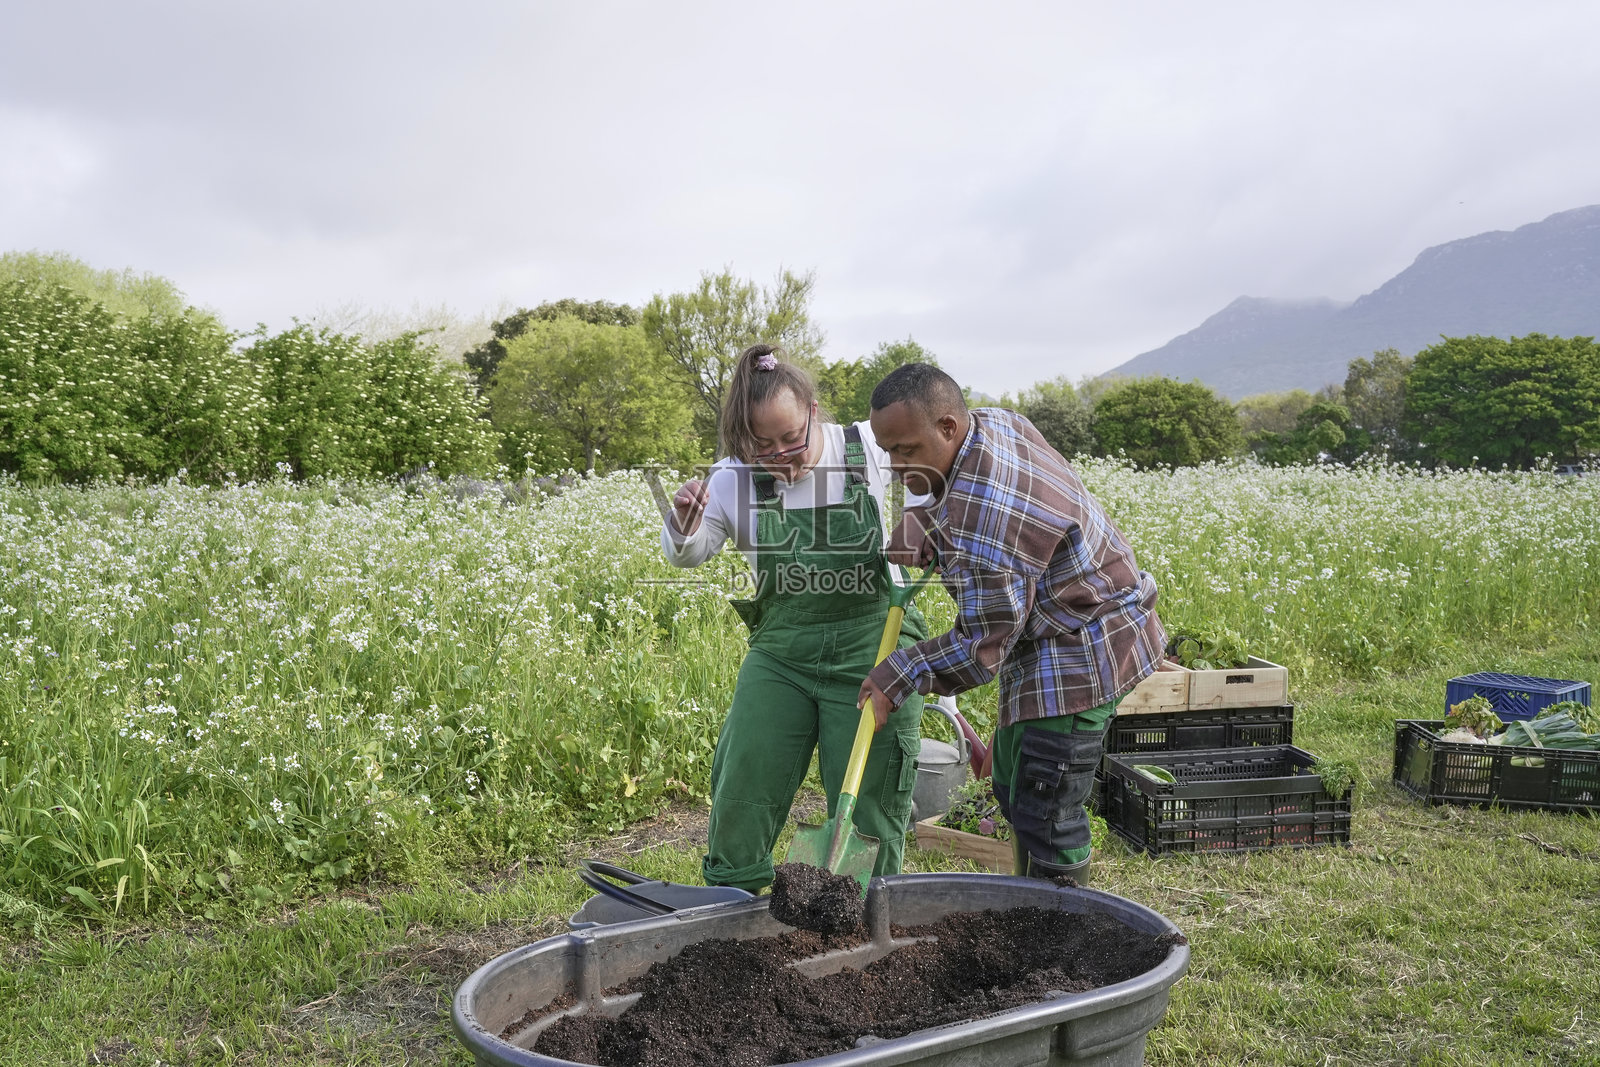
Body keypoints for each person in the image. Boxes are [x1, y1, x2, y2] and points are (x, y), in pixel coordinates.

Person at [859, 363, 1165, 884]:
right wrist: (930, 520)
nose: (896, 466)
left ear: (948, 426)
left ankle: (1061, 922)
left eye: (907, 450)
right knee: (1011, 782)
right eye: (888, 451)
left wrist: (898, 672)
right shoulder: (995, 422)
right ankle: (1031, 900)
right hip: (1058, 624)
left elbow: (982, 649)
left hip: (1084, 648)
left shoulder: (984, 522)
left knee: (1047, 808)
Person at [661, 343, 929, 893]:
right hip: (783, 653)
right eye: (762, 446)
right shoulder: (732, 479)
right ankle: (731, 905)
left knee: (870, 802)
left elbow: (939, 476)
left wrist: (923, 520)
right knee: (745, 778)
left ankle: (866, 911)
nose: (781, 455)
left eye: (791, 438)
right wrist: (683, 523)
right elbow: (688, 553)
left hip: (873, 649)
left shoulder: (868, 448)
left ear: (812, 410)